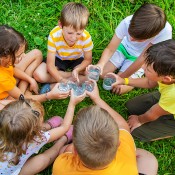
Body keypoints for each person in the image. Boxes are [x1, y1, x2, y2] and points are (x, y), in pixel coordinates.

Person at [52, 81, 158, 175]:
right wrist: (97, 99)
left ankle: (65, 140)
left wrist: (68, 148)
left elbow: (67, 152)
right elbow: (122, 125)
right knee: (149, 159)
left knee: (64, 150)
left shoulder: (61, 167)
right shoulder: (125, 151)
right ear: (118, 144)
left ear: (75, 150)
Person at [91, 3, 172, 95]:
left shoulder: (164, 33)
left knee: (118, 89)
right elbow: (110, 49)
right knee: (101, 74)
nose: (131, 39)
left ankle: (132, 79)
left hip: (141, 58)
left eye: (139, 39)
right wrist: (100, 64)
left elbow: (142, 59)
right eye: (130, 34)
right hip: (123, 48)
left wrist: (122, 79)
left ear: (153, 36)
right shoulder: (127, 22)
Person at [0, 89, 86, 175]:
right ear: (34, 133)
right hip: (14, 172)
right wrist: (72, 104)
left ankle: (46, 126)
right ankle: (62, 140)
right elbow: (64, 127)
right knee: (44, 159)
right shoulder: (36, 139)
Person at [109, 39, 175, 142]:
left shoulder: (172, 94)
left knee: (136, 131)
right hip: (168, 97)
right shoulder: (167, 74)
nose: (143, 66)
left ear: (166, 79)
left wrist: (139, 120)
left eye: (148, 69)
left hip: (170, 99)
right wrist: (123, 80)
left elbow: (153, 114)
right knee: (132, 106)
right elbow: (149, 82)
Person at [0, 25, 69, 110]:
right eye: (18, 56)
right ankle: (27, 91)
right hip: (6, 96)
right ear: (3, 57)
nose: (24, 56)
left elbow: (12, 69)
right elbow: (22, 98)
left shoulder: (4, 61)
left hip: (9, 83)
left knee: (37, 53)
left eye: (23, 53)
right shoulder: (2, 78)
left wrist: (30, 79)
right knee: (21, 103)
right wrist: (49, 96)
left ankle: (25, 89)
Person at [33, 2, 93, 93]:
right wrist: (61, 79)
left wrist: (77, 69)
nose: (73, 38)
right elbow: (50, 65)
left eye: (78, 34)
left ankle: (53, 85)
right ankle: (74, 80)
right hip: (59, 58)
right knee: (38, 75)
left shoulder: (86, 37)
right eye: (70, 33)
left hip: (77, 59)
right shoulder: (54, 35)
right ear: (60, 25)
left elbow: (88, 60)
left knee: (90, 74)